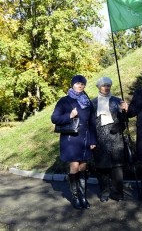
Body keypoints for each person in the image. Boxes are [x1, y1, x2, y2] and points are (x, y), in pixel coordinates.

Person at [51, 75, 97, 210]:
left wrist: (93, 140)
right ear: (72, 85)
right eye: (77, 83)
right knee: (75, 167)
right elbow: (54, 118)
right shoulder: (64, 101)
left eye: (82, 84)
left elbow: (92, 122)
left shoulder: (87, 101)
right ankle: (76, 197)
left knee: (83, 167)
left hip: (85, 139)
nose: (80, 86)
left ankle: (83, 196)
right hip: (71, 140)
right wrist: (69, 116)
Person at [92, 77, 128, 202]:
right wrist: (92, 140)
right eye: (103, 86)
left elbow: (124, 121)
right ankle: (105, 192)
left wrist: (123, 114)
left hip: (115, 138)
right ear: (99, 87)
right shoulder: (93, 103)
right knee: (102, 168)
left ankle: (118, 192)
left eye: (108, 85)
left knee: (117, 168)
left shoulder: (118, 101)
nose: (106, 88)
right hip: (99, 139)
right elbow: (90, 123)